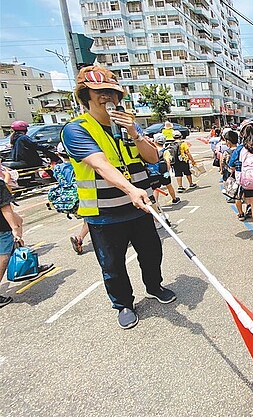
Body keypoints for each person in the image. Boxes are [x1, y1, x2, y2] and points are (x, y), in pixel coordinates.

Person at [61, 65, 176, 329]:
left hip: (141, 208)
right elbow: (100, 164)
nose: (108, 97)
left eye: (112, 91)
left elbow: (152, 157)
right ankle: (123, 303)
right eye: (99, 92)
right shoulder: (77, 129)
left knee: (151, 252)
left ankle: (154, 286)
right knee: (112, 264)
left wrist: (135, 134)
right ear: (85, 95)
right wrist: (130, 189)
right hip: (104, 214)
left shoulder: (128, 125)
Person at [0, 179, 53, 307]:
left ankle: (30, 268)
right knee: (3, 257)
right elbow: (5, 206)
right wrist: (15, 228)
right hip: (2, 229)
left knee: (16, 247)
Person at [52, 143, 90, 255]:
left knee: (87, 220)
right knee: (90, 219)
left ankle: (79, 239)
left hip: (68, 200)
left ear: (59, 154)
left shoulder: (57, 168)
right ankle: (79, 238)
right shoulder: (78, 166)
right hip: (82, 196)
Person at [151, 133, 180, 205]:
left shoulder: (152, 150)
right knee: (169, 185)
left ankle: (155, 204)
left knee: (156, 188)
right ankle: (174, 199)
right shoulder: (165, 151)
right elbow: (168, 161)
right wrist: (167, 171)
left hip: (154, 172)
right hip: (164, 172)